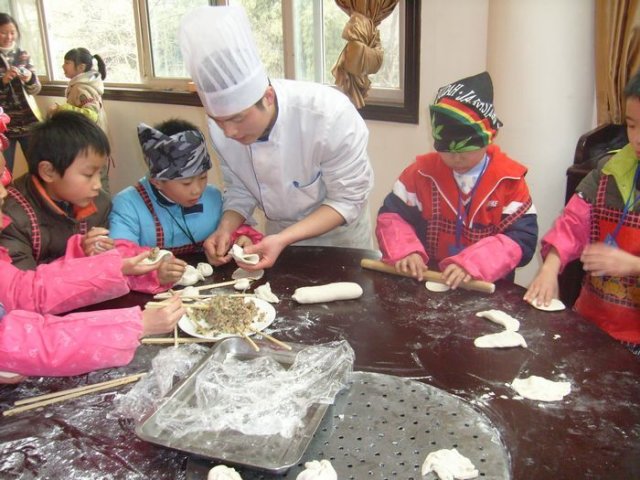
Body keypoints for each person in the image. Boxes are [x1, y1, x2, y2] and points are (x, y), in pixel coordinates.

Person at [178, 5, 374, 269]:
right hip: (278, 240)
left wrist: (282, 239)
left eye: (238, 118)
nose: (230, 132)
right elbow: (240, 188)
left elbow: (346, 200)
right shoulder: (222, 129)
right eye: (219, 121)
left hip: (340, 240)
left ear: (267, 97)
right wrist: (225, 228)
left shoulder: (330, 116)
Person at [0, 130, 185, 382]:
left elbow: (30, 291)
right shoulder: (14, 215)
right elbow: (27, 341)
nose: (3, 192)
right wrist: (136, 325)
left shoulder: (96, 203)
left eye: (3, 176)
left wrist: (117, 268)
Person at [375, 72, 538, 289]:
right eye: (447, 151)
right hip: (429, 280)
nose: (456, 158)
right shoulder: (421, 174)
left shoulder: (508, 181)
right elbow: (393, 215)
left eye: (466, 150)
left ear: (488, 139)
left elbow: (521, 239)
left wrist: (473, 263)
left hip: (487, 287)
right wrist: (406, 251)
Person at [0, 110, 186, 288]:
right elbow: (25, 292)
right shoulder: (11, 218)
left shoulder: (99, 203)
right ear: (49, 171)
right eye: (89, 174)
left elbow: (115, 263)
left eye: (100, 172)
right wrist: (82, 257)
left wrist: (154, 273)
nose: (98, 184)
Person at [524, 70, 640, 354]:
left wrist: (633, 266)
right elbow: (572, 223)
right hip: (592, 327)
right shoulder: (607, 172)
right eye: (632, 125)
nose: (637, 138)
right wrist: (550, 268)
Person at [109, 119, 262, 255]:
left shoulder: (212, 197)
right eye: (186, 183)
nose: (197, 189)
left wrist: (240, 241)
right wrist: (156, 270)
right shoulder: (128, 205)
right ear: (157, 181)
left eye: (203, 177)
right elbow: (120, 256)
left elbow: (233, 231)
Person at [50, 47, 111, 192]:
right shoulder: (82, 85)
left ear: (81, 67)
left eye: (67, 63)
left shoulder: (81, 88)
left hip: (91, 144)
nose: (63, 66)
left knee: (97, 183)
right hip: (92, 142)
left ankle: (104, 212)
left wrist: (61, 109)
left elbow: (91, 114)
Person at [0, 13, 41, 174]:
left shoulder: (23, 54)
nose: (9, 37)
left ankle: (37, 199)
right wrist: (3, 81)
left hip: (29, 123)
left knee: (39, 169)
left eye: (12, 32)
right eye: (3, 32)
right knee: (4, 172)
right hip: (3, 127)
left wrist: (30, 78)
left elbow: (36, 89)